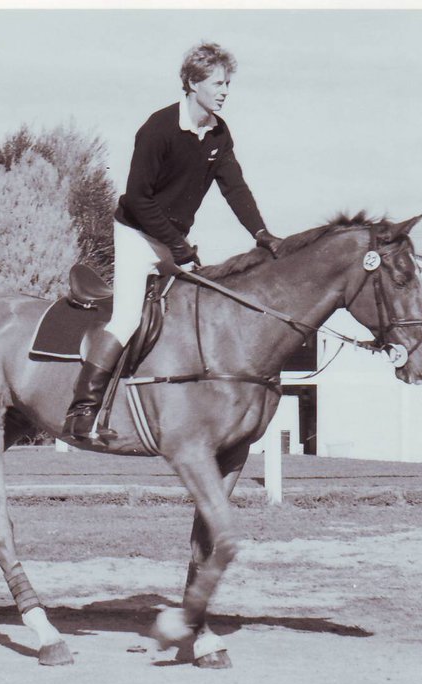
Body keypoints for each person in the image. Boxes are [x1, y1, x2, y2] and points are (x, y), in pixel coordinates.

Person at [63, 41, 285, 442]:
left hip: (172, 240)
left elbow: (234, 188)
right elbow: (137, 199)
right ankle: (83, 414)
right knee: (128, 318)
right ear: (191, 83)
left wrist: (261, 233)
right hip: (135, 234)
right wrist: (177, 246)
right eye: (217, 83)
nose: (224, 91)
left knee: (199, 305)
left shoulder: (219, 132)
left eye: (227, 83)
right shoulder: (159, 129)